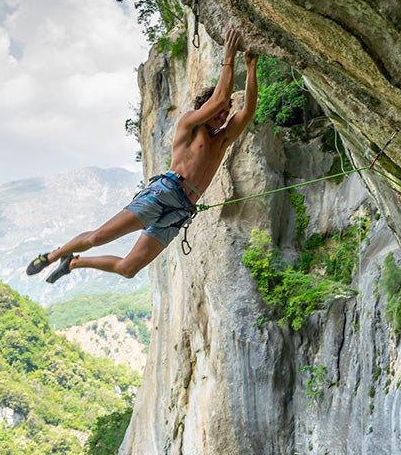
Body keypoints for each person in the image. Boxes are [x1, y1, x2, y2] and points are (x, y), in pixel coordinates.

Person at [26, 29, 259, 283]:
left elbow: (247, 111)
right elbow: (220, 98)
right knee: (98, 237)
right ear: (205, 108)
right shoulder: (190, 125)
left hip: (180, 210)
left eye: (226, 113)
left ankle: (73, 263)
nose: (223, 116)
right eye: (220, 111)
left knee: (128, 269)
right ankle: (52, 256)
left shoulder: (222, 140)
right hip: (164, 192)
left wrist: (251, 68)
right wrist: (228, 57)